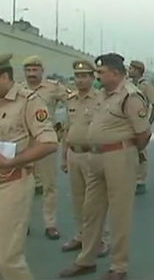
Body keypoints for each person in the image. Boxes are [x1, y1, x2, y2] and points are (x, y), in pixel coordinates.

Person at [59, 53, 152, 280]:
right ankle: (86, 259)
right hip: (96, 157)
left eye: (101, 72)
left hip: (118, 156)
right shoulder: (102, 95)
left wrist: (128, 151)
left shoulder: (130, 96)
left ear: (116, 73)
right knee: (91, 211)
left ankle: (119, 266)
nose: (97, 76)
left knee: (119, 214)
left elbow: (143, 133)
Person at [0, 54, 57, 280]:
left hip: (12, 186)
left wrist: (11, 161)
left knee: (7, 260)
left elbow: (49, 143)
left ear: (4, 77)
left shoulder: (28, 101)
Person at [61, 60, 110, 256]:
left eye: (84, 76)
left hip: (93, 154)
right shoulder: (71, 99)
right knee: (78, 199)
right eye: (77, 76)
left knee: (95, 201)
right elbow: (67, 129)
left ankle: (101, 238)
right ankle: (82, 236)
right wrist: (64, 157)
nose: (80, 80)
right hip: (74, 153)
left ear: (92, 78)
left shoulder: (100, 99)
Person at [19, 55, 69, 240]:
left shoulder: (53, 88)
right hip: (24, 142)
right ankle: (23, 223)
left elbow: (73, 101)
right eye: (28, 70)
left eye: (35, 70)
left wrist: (65, 126)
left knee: (49, 185)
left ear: (42, 71)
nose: (31, 74)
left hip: (45, 141)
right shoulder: (18, 89)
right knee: (22, 185)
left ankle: (50, 224)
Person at [128, 60, 154, 195]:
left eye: (131, 68)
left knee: (141, 152)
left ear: (138, 70)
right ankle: (131, 179)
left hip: (141, 121)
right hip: (129, 122)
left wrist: (149, 122)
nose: (129, 70)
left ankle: (140, 181)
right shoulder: (129, 85)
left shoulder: (146, 85)